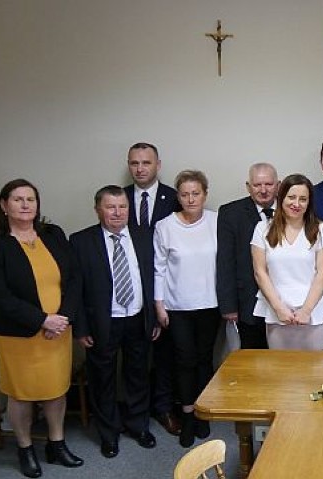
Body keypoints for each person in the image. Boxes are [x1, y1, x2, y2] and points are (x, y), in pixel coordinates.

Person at [0, 179, 84, 478]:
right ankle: (25, 449)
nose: (26, 205)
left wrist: (62, 317)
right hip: (19, 335)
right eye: (17, 199)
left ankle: (57, 443)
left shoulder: (52, 234)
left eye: (31, 199)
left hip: (58, 332)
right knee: (21, 394)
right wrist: (42, 320)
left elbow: (74, 278)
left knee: (56, 391)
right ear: (3, 205)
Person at [70, 186, 158, 458]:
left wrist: (152, 318)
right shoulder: (81, 241)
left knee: (138, 375)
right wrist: (81, 327)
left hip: (137, 317)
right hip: (102, 323)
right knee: (102, 380)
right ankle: (108, 434)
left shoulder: (144, 236)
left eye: (122, 207)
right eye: (111, 207)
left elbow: (153, 280)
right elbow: (76, 287)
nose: (118, 213)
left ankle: (137, 425)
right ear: (98, 209)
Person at [153, 170, 220, 448]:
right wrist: (159, 304)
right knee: (185, 361)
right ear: (177, 196)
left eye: (196, 193)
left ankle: (202, 413)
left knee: (205, 359)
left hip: (210, 304)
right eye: (184, 194)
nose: (190, 199)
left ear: (205, 193)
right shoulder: (165, 226)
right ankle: (188, 415)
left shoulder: (217, 221)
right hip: (177, 306)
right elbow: (159, 268)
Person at [123, 141, 182, 436]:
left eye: (146, 163)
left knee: (164, 355)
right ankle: (135, 413)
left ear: (158, 165)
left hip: (163, 289)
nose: (140, 168)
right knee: (133, 356)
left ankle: (163, 407)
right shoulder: (118, 199)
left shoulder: (174, 198)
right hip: (127, 289)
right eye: (134, 163)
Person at [251, 174, 323, 350]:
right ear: (281, 197)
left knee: (313, 371)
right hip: (277, 311)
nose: (296, 204)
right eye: (291, 197)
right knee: (280, 370)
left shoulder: (320, 230)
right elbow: (260, 272)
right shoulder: (263, 228)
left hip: (313, 313)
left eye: (303, 199)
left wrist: (306, 311)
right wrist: (279, 309)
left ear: (309, 203)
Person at [216, 163, 280, 349]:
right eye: (257, 185)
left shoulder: (291, 210)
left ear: (278, 185)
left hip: (286, 301)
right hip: (248, 302)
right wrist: (228, 306)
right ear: (248, 186)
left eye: (268, 184)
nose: (263, 190)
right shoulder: (230, 213)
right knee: (254, 360)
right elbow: (225, 262)